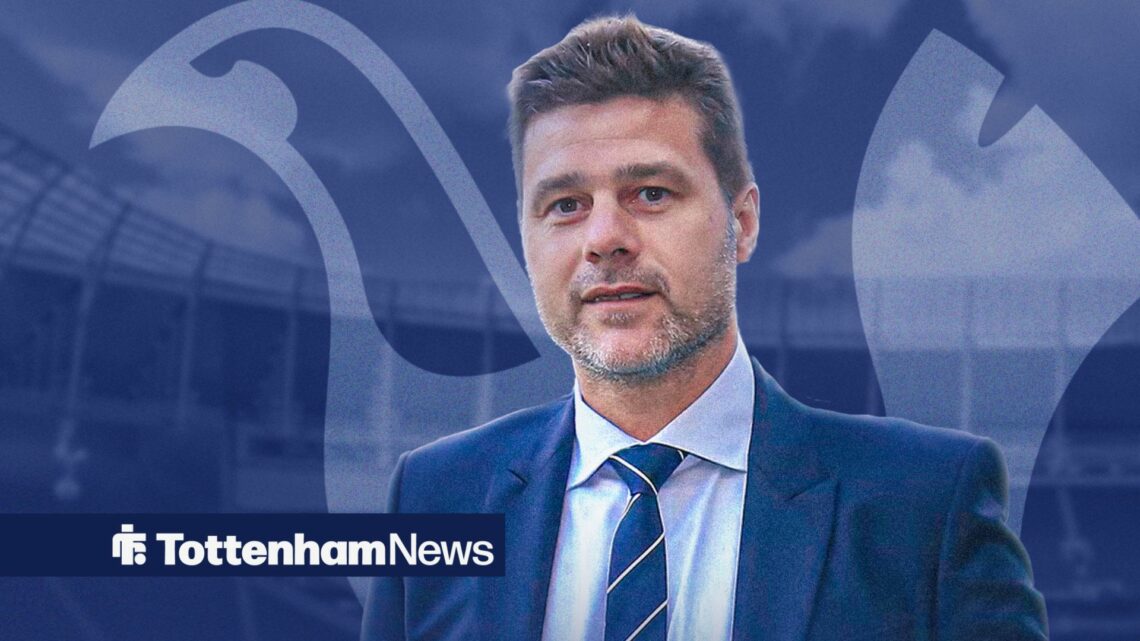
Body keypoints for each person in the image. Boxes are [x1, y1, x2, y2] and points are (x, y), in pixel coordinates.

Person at [362, 15, 1048, 641]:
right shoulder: (433, 495)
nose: (604, 238)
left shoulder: (925, 502)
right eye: (566, 204)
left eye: (651, 193)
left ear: (743, 221)